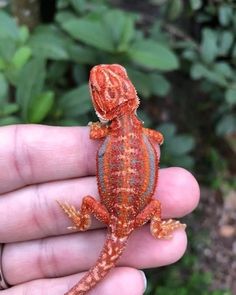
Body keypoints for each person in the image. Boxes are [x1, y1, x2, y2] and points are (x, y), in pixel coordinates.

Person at [0, 124, 200, 294]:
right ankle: (157, 229)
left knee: (89, 201)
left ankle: (82, 222)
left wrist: (96, 127)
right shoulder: (139, 129)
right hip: (134, 218)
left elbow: (94, 133)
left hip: (117, 217)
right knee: (154, 205)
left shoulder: (109, 129)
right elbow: (160, 138)